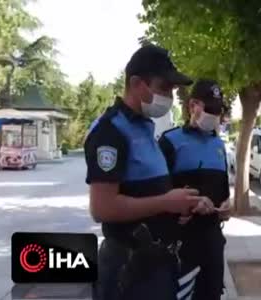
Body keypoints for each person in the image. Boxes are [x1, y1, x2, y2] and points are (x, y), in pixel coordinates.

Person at [85, 43, 204, 300]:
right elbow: (102, 208)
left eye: (172, 90)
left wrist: (179, 204)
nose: (170, 97)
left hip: (156, 265)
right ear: (138, 84)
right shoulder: (111, 131)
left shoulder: (144, 127)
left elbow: (146, 190)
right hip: (129, 270)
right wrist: (165, 202)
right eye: (164, 88)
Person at [159, 79, 231, 300]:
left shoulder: (219, 146)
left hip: (212, 240)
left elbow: (222, 191)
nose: (213, 115)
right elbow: (158, 195)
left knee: (211, 294)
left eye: (217, 111)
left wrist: (227, 205)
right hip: (181, 242)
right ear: (192, 106)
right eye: (209, 109)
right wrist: (188, 206)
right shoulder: (170, 142)